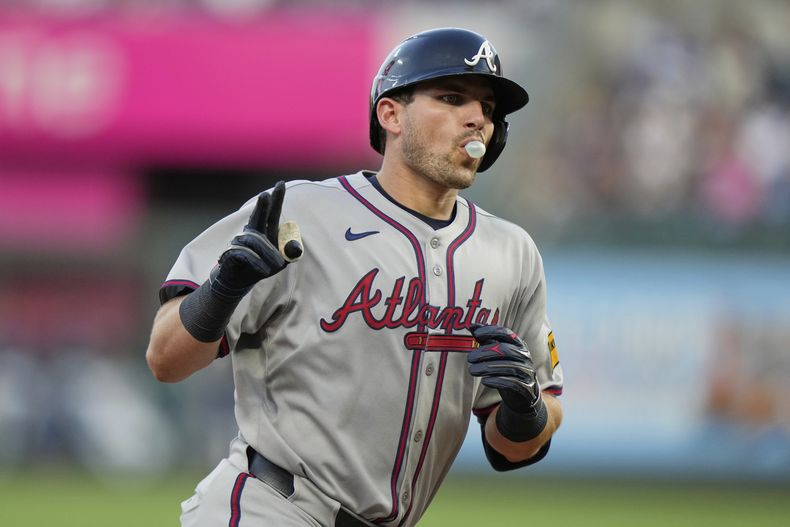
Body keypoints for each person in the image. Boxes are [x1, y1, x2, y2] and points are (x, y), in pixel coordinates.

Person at [146, 27, 564, 527]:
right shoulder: (296, 212)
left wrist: (526, 410)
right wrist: (221, 290)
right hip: (272, 508)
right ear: (390, 114)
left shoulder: (511, 253)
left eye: (488, 109)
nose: (477, 119)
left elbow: (516, 447)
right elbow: (165, 359)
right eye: (452, 98)